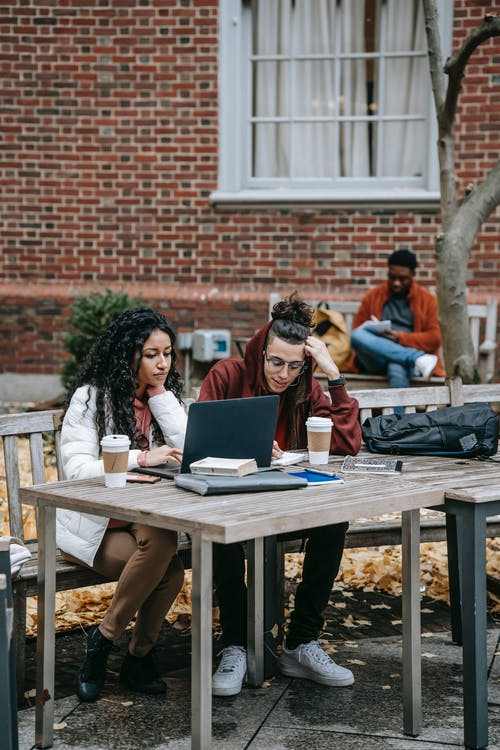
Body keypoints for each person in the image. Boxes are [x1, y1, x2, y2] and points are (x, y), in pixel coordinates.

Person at [199, 293, 361, 697]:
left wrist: (333, 374)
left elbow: (347, 444)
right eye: (275, 362)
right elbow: (198, 443)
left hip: (290, 503)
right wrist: (248, 449)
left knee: (334, 520)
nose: (283, 374)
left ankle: (300, 643)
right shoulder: (227, 375)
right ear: (261, 352)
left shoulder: (305, 388)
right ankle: (235, 645)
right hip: (232, 501)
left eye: (294, 365)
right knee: (224, 533)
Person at [57, 308, 187, 702]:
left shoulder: (160, 398)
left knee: (166, 555)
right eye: (151, 354)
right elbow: (77, 469)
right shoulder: (90, 398)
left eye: (167, 353)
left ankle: (110, 643)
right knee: (169, 568)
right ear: (128, 354)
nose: (162, 363)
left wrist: (161, 396)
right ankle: (126, 653)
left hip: (141, 516)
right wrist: (140, 458)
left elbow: (191, 448)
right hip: (93, 523)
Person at [350, 249, 445, 388]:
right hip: (376, 358)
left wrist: (399, 338)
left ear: (412, 274)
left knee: (396, 365)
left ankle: (398, 410)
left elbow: (435, 338)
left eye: (402, 279)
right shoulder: (373, 296)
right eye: (392, 277)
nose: (396, 283)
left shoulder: (428, 300)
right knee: (357, 334)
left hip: (409, 367)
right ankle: (417, 357)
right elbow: (359, 333)